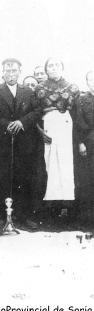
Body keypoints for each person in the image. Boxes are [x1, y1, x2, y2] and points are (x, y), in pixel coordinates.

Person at [0, 58, 41, 229]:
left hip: (24, 143)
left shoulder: (28, 92)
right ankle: (1, 216)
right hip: (2, 142)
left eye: (14, 70)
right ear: (3, 72)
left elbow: (37, 111)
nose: (10, 74)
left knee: (23, 178)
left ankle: (23, 216)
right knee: (3, 177)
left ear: (19, 72)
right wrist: (5, 124)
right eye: (7, 70)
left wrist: (22, 122)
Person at [34, 58, 80, 221]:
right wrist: (39, 130)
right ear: (46, 69)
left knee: (66, 166)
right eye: (50, 65)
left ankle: (67, 207)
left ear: (62, 67)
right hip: (48, 126)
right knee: (50, 165)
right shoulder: (39, 88)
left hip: (67, 128)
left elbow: (76, 113)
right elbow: (34, 112)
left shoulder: (73, 88)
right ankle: (50, 208)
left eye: (57, 65)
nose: (54, 68)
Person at [76, 70, 94, 223]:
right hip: (89, 144)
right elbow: (78, 123)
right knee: (87, 181)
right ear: (87, 82)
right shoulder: (82, 100)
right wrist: (81, 143)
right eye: (91, 80)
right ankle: (87, 220)